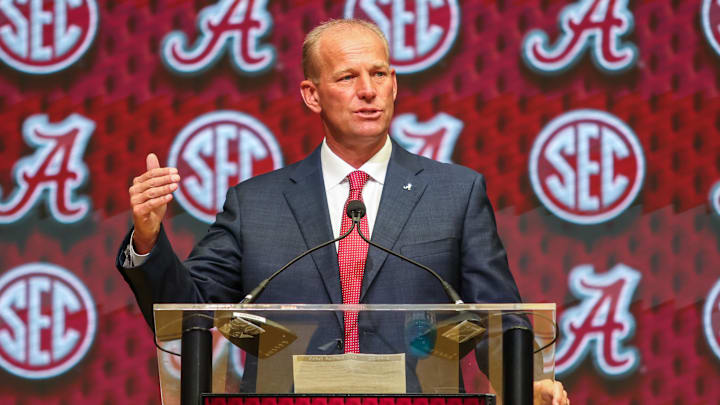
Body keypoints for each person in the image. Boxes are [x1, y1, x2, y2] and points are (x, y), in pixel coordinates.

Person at [117, 19, 568, 405]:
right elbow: (189, 312)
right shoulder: (256, 203)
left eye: (379, 74)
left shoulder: (456, 192)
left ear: (395, 84)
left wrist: (528, 383)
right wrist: (148, 240)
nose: (368, 91)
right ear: (312, 95)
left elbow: (498, 317)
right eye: (347, 77)